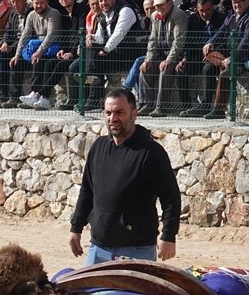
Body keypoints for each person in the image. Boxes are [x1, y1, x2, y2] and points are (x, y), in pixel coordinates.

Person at [69, 88, 180, 266]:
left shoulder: (150, 152)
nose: (113, 118)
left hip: (136, 249)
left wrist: (168, 235)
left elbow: (171, 197)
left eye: (119, 112)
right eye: (108, 113)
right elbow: (87, 191)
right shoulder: (98, 147)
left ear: (134, 114)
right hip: (98, 249)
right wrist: (76, 228)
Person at [139, 0, 188, 116]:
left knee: (165, 70)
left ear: (169, 3)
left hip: (176, 56)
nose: (159, 8)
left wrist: (169, 60)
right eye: (156, 5)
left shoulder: (179, 15)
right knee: (144, 69)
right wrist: (148, 59)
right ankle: (147, 104)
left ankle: (161, 107)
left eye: (161, 4)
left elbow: (178, 41)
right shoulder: (155, 16)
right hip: (161, 55)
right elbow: (153, 40)